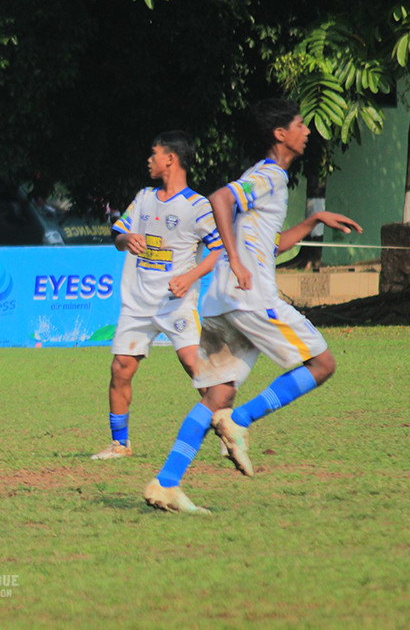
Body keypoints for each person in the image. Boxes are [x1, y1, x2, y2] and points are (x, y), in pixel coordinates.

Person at [143, 99, 362, 514]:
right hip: (251, 298)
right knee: (323, 364)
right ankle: (241, 421)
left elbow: (269, 243)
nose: (307, 130)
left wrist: (313, 222)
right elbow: (219, 200)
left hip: (221, 301)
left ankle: (165, 483)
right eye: (300, 124)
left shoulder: (262, 179)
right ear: (281, 134)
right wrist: (239, 261)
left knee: (217, 397)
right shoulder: (270, 175)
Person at [92, 131, 223, 461]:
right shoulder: (144, 197)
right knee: (121, 368)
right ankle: (120, 444)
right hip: (137, 301)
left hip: (175, 302)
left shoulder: (197, 206)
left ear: (171, 159)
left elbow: (217, 251)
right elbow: (119, 235)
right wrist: (127, 239)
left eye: (154, 154)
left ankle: (226, 430)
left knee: (195, 365)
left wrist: (189, 277)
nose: (148, 160)